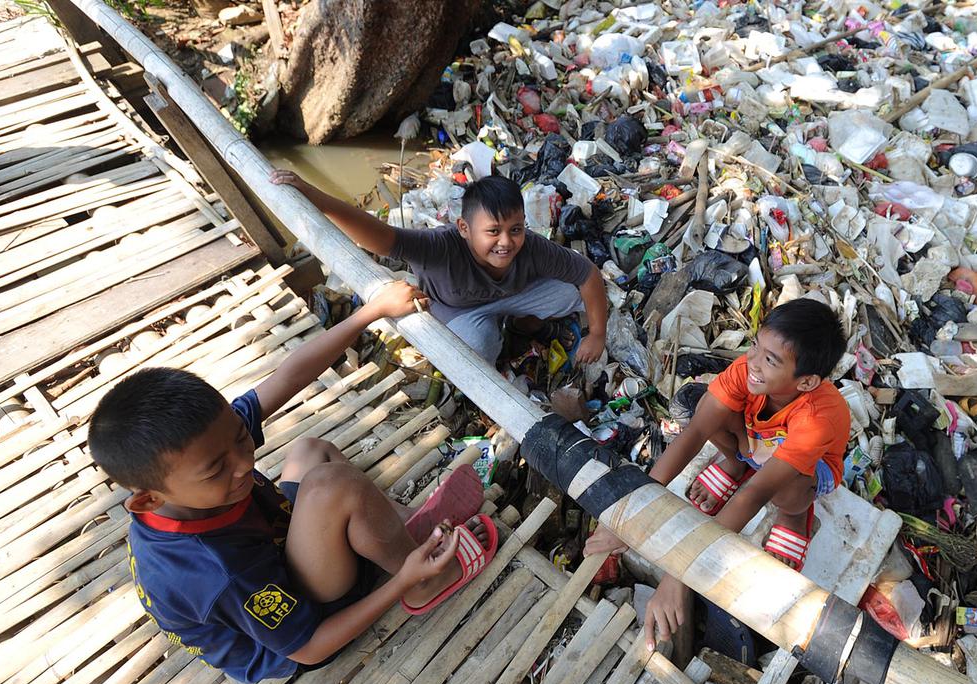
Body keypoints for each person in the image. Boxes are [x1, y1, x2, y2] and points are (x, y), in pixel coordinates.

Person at [88, 282, 498, 683]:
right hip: (298, 628)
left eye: (240, 437)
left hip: (272, 549)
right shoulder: (215, 572)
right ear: (149, 500)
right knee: (333, 485)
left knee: (307, 451)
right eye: (216, 469)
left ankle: (407, 530)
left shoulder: (202, 446)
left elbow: (289, 377)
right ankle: (423, 580)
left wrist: (370, 312)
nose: (243, 464)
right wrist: (400, 585)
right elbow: (309, 648)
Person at [585, 299, 850, 651]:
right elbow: (694, 434)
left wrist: (680, 572)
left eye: (770, 360)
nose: (752, 361)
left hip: (808, 471)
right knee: (706, 409)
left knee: (785, 491)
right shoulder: (748, 371)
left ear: (807, 382)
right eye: (755, 344)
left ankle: (794, 519)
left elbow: (753, 494)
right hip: (757, 443)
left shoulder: (819, 417)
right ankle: (732, 463)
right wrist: (632, 511)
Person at [269, 170, 609, 366]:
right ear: (464, 228)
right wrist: (315, 195)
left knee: (570, 293)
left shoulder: (532, 246)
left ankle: (522, 325)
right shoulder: (439, 246)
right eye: (492, 231)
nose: (506, 242)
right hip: (458, 311)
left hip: (515, 296)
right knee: (480, 348)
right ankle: (505, 334)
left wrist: (597, 335)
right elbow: (380, 237)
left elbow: (588, 274)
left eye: (515, 230)